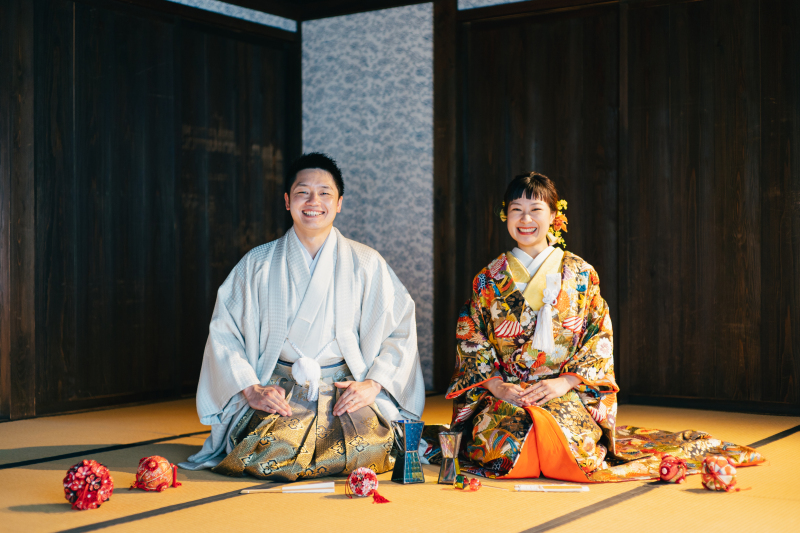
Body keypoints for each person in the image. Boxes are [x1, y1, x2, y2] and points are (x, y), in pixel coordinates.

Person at [444, 172, 763, 482]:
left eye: (536, 210)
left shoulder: (580, 273)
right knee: (504, 450)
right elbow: (471, 336)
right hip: (507, 394)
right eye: (517, 210)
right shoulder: (488, 278)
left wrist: (565, 382)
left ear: (554, 214)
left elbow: (599, 333)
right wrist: (499, 387)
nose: (525, 219)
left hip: (560, 391)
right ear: (505, 215)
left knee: (578, 453)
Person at [180, 153, 425, 481]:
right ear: (287, 201)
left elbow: (400, 329)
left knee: (371, 448)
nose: (313, 202)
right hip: (280, 389)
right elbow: (225, 332)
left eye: (325, 193)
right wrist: (252, 389)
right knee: (267, 451)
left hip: (343, 390)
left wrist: (372, 384)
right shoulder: (258, 263)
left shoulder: (366, 263)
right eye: (302, 192)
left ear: (339, 203)